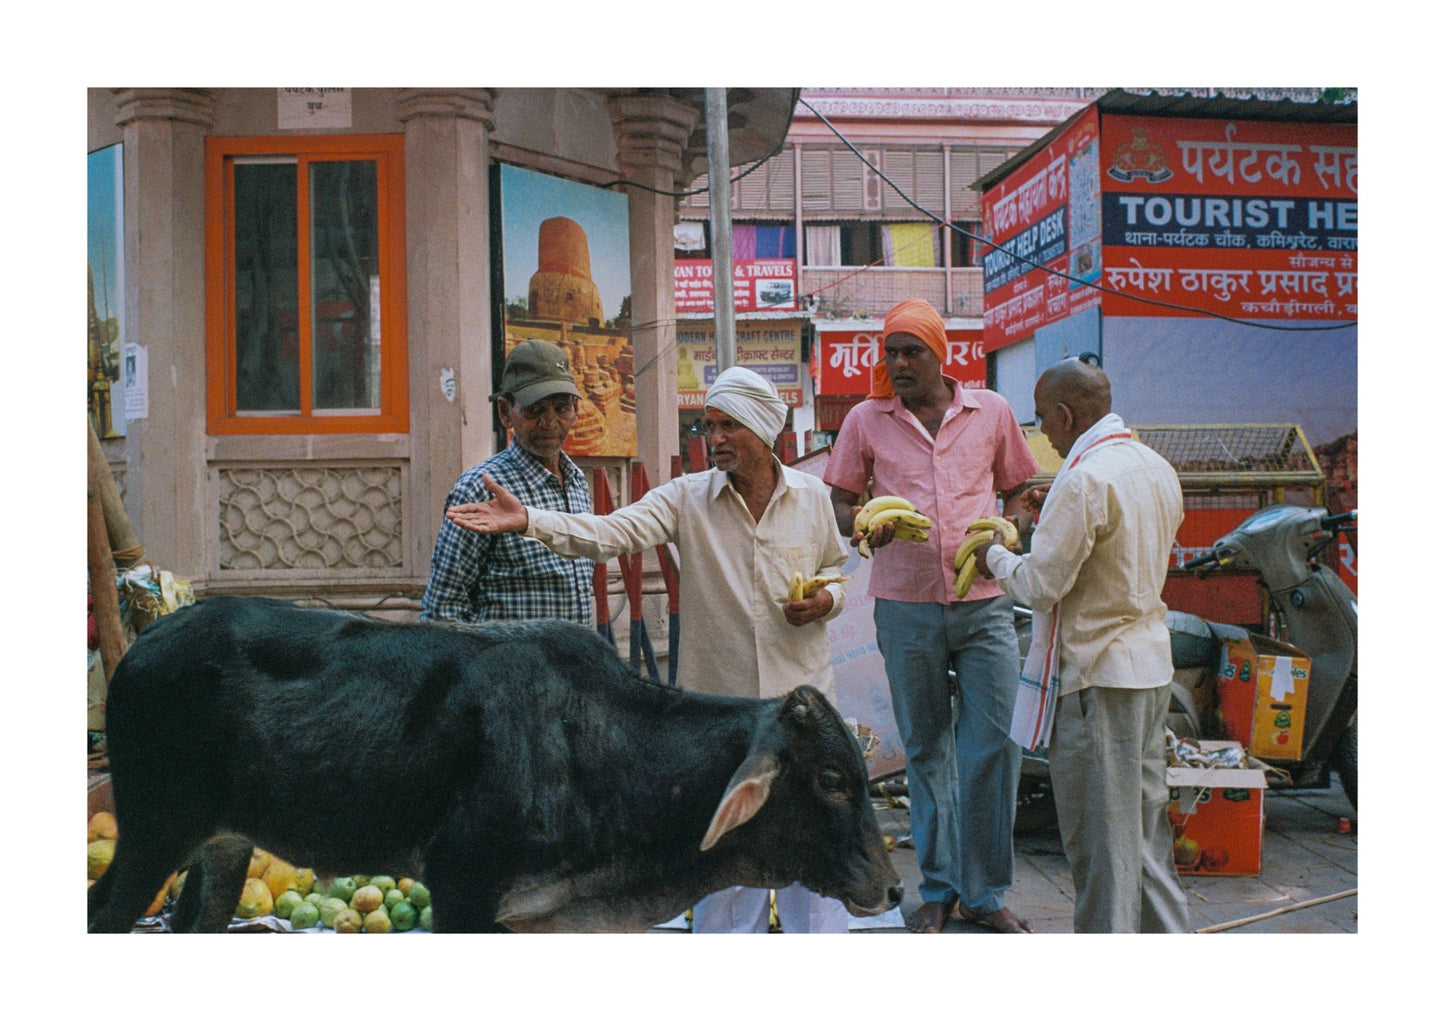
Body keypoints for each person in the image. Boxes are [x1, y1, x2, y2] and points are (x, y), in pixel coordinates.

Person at [444, 365, 852, 933]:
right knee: (727, 862)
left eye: (727, 426)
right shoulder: (688, 498)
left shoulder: (811, 496)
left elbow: (836, 566)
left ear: (763, 431)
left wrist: (828, 599)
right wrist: (530, 520)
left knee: (818, 855)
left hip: (805, 706)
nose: (714, 439)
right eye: (708, 426)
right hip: (723, 716)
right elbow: (611, 533)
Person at [823, 298, 1039, 934]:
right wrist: (865, 528)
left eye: (911, 351)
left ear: (941, 354)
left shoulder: (991, 412)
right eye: (890, 352)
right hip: (904, 606)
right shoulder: (867, 419)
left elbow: (1021, 491)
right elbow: (841, 500)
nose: (898, 364)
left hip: (984, 606)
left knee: (992, 747)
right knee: (925, 749)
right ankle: (940, 888)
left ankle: (986, 891)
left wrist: (1011, 530)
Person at [976, 357, 1191, 933]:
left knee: (1101, 846)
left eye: (1045, 419)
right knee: (1144, 838)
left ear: (1068, 415)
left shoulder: (1085, 478)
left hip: (1098, 678)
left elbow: (1041, 586)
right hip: (1147, 669)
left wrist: (993, 555)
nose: (1043, 431)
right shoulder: (1152, 466)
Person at [420, 339, 594, 627]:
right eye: (534, 410)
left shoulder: (576, 483)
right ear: (505, 412)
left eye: (562, 408)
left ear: (575, 409)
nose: (550, 423)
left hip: (569, 669)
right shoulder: (478, 488)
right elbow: (442, 611)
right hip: (506, 670)